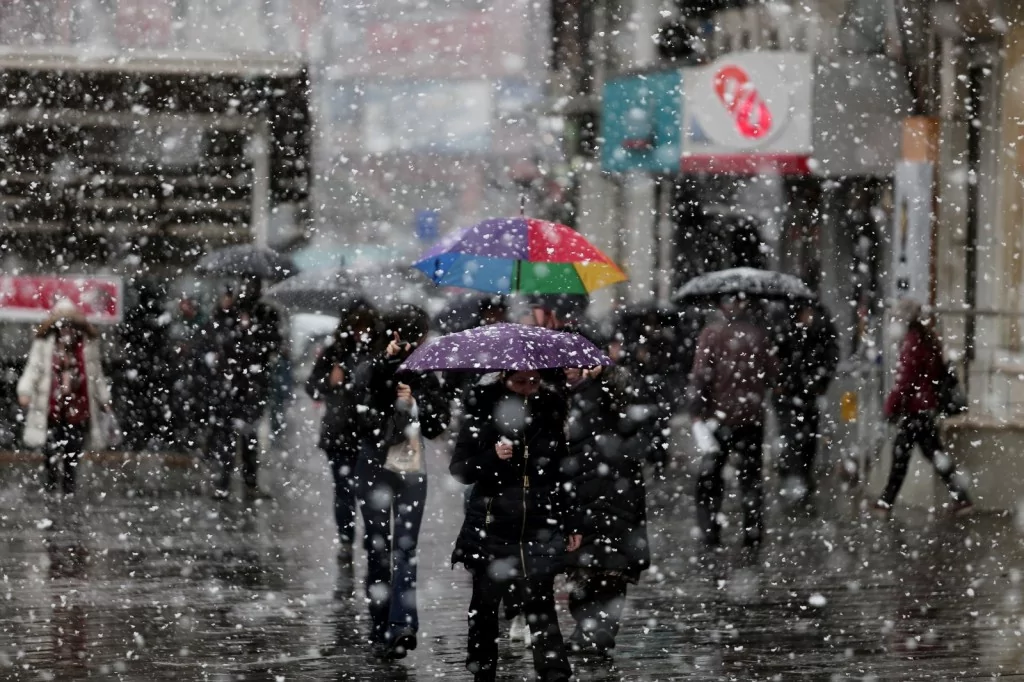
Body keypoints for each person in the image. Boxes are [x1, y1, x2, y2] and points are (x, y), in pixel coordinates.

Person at [451, 369, 580, 682]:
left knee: (541, 602)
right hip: (492, 524)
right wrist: (492, 457)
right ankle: (483, 671)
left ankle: (554, 671)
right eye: (520, 382)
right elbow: (461, 469)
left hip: (538, 523)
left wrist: (572, 521)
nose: (528, 389)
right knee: (484, 606)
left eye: (533, 382)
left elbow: (563, 473)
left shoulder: (548, 412)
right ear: (504, 379)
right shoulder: (482, 411)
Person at [353, 305, 450, 660]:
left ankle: (402, 626)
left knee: (405, 547)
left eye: (420, 336)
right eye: (411, 335)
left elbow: (439, 423)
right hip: (375, 464)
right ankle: (380, 631)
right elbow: (357, 406)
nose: (416, 342)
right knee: (379, 550)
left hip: (411, 465)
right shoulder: (371, 362)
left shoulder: (426, 370)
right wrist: (386, 366)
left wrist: (419, 392)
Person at [564, 361, 651, 657]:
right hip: (577, 489)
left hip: (616, 489)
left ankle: (600, 630)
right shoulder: (554, 395)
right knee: (579, 567)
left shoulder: (610, 390)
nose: (568, 369)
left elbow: (634, 414)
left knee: (612, 567)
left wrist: (606, 379)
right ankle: (586, 628)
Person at [689, 295, 778, 551]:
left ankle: (710, 532)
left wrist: (697, 411)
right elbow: (773, 374)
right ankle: (752, 532)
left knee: (710, 480)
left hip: (719, 420)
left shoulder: (712, 334)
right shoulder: (759, 335)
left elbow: (700, 376)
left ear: (721, 307)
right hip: (751, 418)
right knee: (750, 479)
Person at [875, 299, 972, 516]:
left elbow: (905, 382)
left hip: (915, 410)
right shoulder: (929, 339)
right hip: (927, 409)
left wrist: (891, 407)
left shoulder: (912, 343)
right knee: (933, 454)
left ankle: (885, 503)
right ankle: (962, 498)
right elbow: (933, 375)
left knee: (903, 456)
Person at [305, 301, 381, 562]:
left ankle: (373, 537)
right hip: (339, 432)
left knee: (369, 490)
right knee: (344, 490)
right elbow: (312, 387)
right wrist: (330, 381)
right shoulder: (334, 352)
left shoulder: (378, 352)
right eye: (357, 327)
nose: (362, 332)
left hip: (370, 432)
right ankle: (346, 541)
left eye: (366, 327)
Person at [17, 300, 114, 495]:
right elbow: (33, 369)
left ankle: (69, 487)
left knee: (73, 449)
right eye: (63, 324)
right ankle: (52, 485)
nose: (67, 329)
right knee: (51, 450)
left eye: (71, 324)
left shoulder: (86, 345)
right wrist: (25, 391)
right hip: (51, 406)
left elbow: (96, 374)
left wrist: (104, 399)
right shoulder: (45, 344)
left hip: (77, 406)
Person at [208, 277, 282, 500]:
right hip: (234, 383)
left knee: (247, 437)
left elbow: (272, 344)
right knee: (229, 437)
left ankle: (247, 483)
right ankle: (225, 483)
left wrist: (252, 332)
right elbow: (220, 341)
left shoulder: (266, 315)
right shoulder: (228, 316)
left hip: (252, 384)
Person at [773, 301, 839, 505]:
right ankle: (796, 477)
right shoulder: (783, 323)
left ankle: (799, 476)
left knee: (806, 436)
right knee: (793, 435)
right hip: (790, 391)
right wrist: (779, 379)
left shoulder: (820, 324)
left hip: (807, 391)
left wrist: (821, 381)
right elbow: (775, 353)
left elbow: (830, 354)